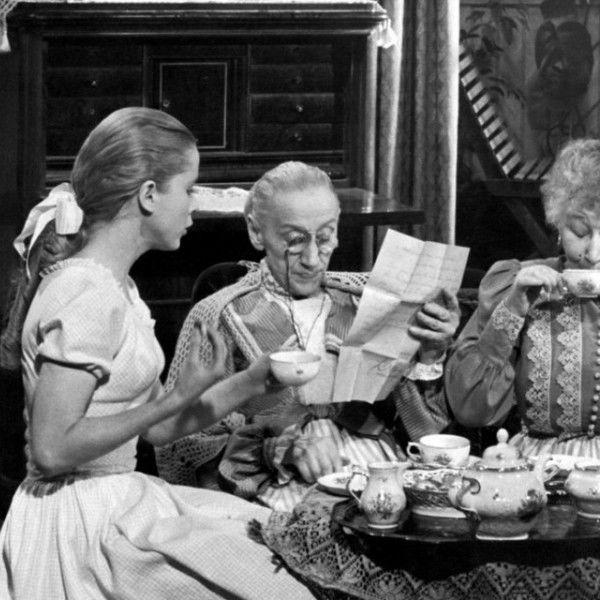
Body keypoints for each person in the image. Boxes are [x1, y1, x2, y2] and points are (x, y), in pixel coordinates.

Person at [0, 107, 316, 600]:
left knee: (280, 546)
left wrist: (252, 380)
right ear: (149, 195)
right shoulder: (86, 292)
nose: (195, 204)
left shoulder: (117, 287)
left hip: (114, 501)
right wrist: (173, 397)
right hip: (78, 525)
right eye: (188, 189)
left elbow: (157, 429)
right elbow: (52, 449)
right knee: (278, 582)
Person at [156, 161, 460, 511]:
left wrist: (430, 354)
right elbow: (181, 447)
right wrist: (277, 450)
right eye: (295, 241)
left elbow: (426, 432)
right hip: (277, 489)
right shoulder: (222, 315)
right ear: (256, 232)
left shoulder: (364, 302)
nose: (313, 259)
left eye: (325, 237)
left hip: (380, 475)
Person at [446, 137, 600, 458]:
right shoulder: (516, 284)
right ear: (558, 223)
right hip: (538, 466)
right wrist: (513, 308)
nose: (593, 253)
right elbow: (469, 409)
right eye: (580, 232)